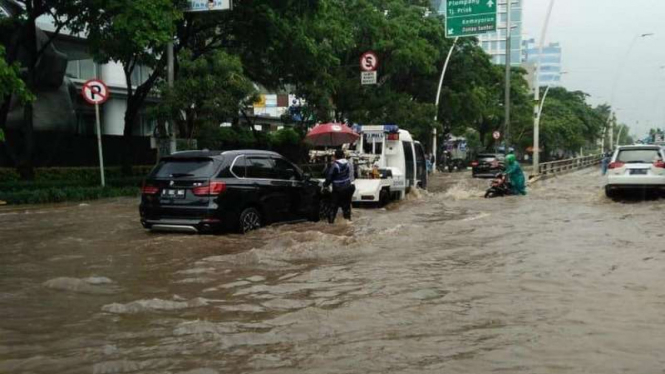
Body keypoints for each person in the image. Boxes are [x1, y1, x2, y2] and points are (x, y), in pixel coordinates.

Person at [324, 150, 356, 223]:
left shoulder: (335, 165)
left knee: (333, 207)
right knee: (346, 207)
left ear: (335, 156)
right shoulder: (348, 163)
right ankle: (348, 221)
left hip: (338, 189)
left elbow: (329, 177)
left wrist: (325, 185)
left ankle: (331, 224)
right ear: (343, 156)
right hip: (348, 187)